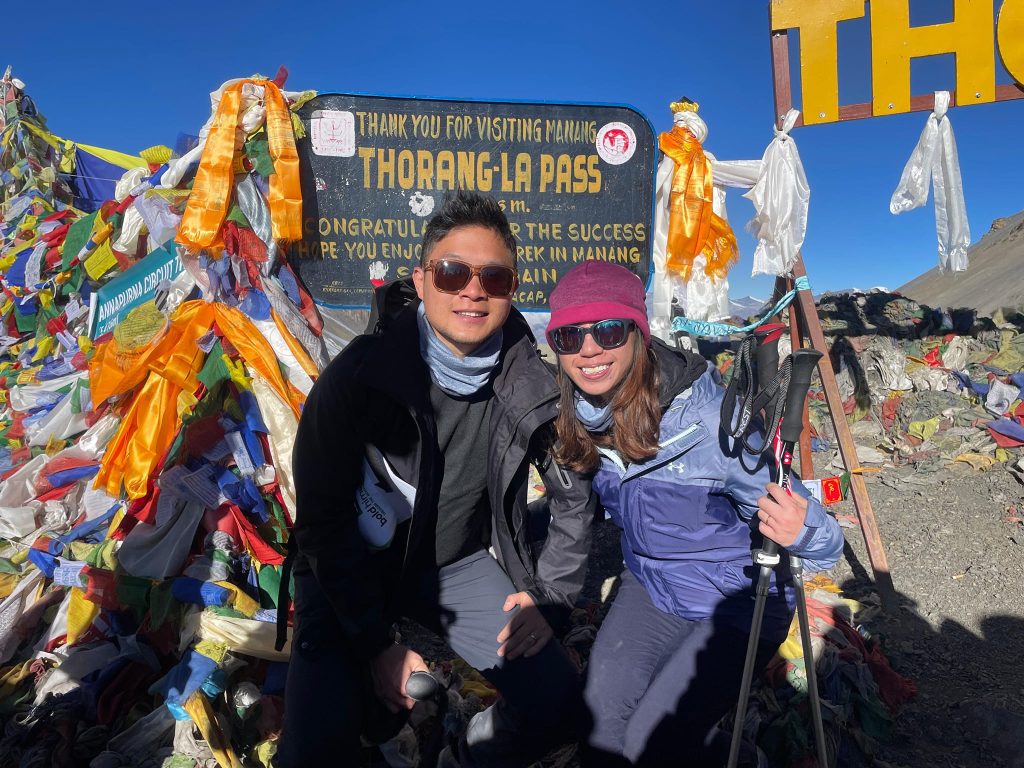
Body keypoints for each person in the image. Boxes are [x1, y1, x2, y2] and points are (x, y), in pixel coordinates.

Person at [276, 191, 595, 767]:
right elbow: (321, 522)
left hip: (454, 564)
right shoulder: (359, 377)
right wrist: (378, 647)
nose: (473, 290)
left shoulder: (531, 385)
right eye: (453, 272)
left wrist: (551, 596)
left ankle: (463, 756)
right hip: (348, 567)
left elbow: (574, 494)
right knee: (312, 752)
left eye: (493, 277)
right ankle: (377, 717)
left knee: (556, 701)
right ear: (422, 280)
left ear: (512, 288)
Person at [544, 261, 844, 767]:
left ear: (638, 335)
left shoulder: (708, 420)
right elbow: (574, 509)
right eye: (569, 336)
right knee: (598, 730)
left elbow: (820, 536)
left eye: (609, 330)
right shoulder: (580, 418)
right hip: (652, 587)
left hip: (737, 600)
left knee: (650, 745)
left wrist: (806, 529)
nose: (589, 349)